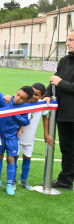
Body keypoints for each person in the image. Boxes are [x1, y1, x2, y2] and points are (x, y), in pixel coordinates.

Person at [43, 30, 74, 191]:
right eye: (68, 39)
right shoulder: (65, 60)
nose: (67, 43)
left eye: (71, 40)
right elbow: (53, 80)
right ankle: (66, 180)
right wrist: (47, 94)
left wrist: (60, 83)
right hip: (63, 114)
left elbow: (59, 81)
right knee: (67, 148)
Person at [0, 86, 33, 195]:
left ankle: (9, 184)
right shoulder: (6, 101)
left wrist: (15, 113)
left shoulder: (25, 108)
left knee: (10, 158)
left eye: (22, 98)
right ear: (16, 92)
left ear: (26, 100)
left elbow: (26, 122)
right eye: (18, 95)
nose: (18, 98)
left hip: (12, 137)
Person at [19, 83, 48, 190]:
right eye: (32, 93)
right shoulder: (23, 101)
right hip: (17, 135)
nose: (33, 96)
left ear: (41, 96)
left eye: (36, 95)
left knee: (27, 158)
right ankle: (12, 180)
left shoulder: (42, 105)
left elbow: (45, 118)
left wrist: (46, 133)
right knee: (14, 158)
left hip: (30, 137)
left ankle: (24, 180)